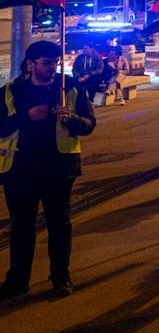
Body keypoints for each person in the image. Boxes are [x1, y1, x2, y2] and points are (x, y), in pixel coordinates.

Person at [0, 40, 97, 301]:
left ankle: (60, 277)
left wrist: (73, 119)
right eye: (45, 62)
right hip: (19, 171)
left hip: (58, 169)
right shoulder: (11, 91)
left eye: (54, 62)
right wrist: (25, 117)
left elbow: (89, 124)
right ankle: (18, 280)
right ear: (30, 64)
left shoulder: (70, 87)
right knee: (21, 227)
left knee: (59, 225)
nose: (51, 67)